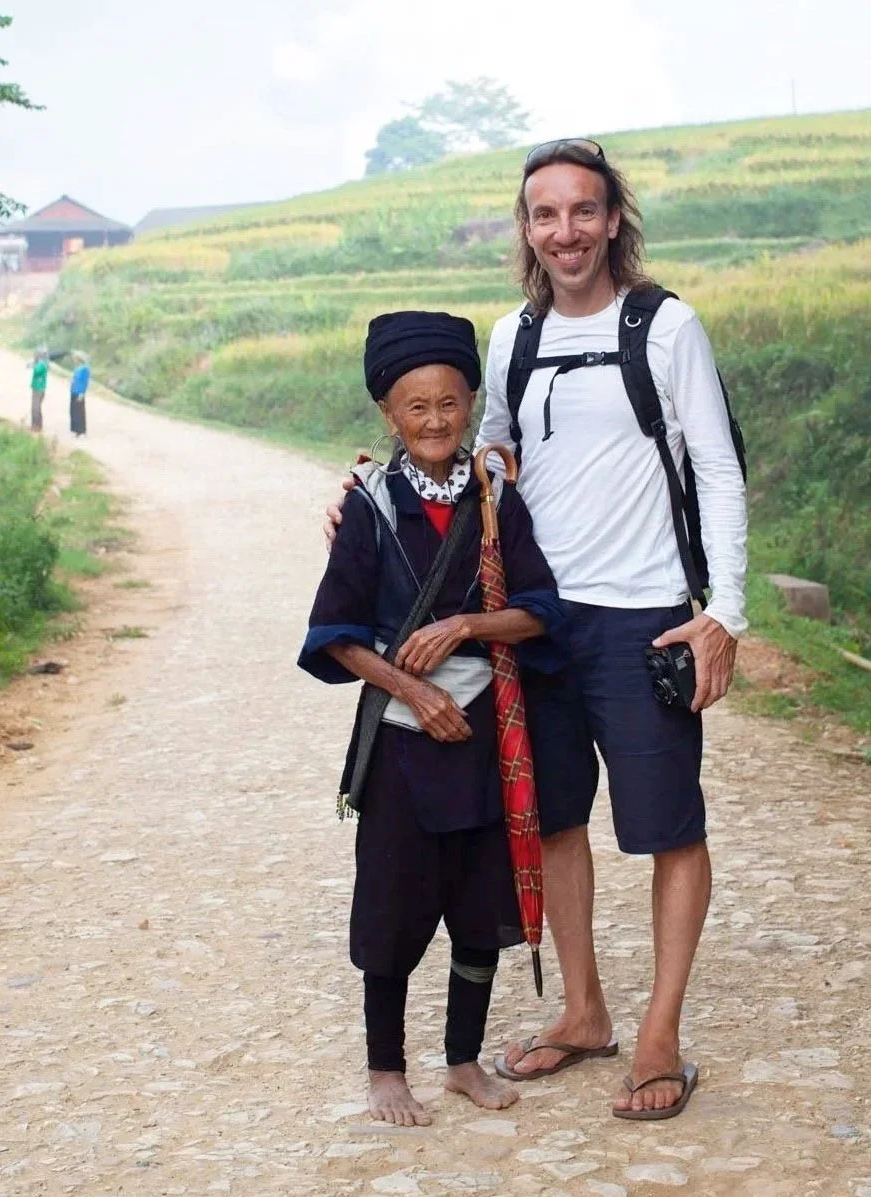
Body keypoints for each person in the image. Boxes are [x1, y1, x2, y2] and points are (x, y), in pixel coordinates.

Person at [326, 141, 747, 1120]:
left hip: (645, 616)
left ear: (612, 219)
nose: (565, 232)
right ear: (526, 228)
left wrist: (724, 612)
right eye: (545, 214)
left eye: (582, 211)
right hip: (536, 621)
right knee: (553, 820)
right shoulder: (512, 336)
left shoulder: (666, 327)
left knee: (667, 829)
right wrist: (371, 494)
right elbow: (484, 461)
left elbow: (717, 468)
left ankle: (659, 1035)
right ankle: (585, 1012)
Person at [299, 310, 568, 1128]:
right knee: (391, 904)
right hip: (402, 746)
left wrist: (464, 626)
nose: (435, 420)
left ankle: (461, 1060)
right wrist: (414, 692)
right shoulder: (370, 508)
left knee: (481, 907)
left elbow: (540, 610)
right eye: (416, 407)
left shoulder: (496, 502)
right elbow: (334, 634)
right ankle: (386, 1069)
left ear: (470, 403)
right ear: (389, 414)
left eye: (449, 403)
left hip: (483, 738)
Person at [69, 352, 90, 437]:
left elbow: (85, 382)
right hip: (74, 391)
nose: (74, 360)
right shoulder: (77, 368)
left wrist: (82, 393)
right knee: (74, 411)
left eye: (75, 359)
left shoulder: (85, 369)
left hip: (79, 392)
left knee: (79, 411)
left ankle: (82, 430)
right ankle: (76, 430)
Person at [29, 347, 48, 432]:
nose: (34, 355)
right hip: (39, 388)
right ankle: (38, 425)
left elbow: (36, 371)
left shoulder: (41, 364)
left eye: (35, 354)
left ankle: (36, 426)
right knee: (37, 407)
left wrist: (34, 364)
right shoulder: (43, 363)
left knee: (35, 408)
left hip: (38, 388)